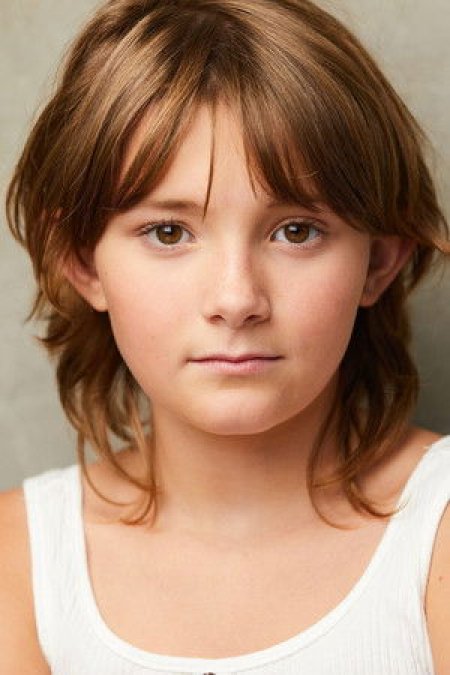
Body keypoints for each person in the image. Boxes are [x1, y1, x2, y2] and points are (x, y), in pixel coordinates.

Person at [2, 0, 450, 672]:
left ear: (380, 260)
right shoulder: (19, 560)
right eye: (169, 232)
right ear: (83, 262)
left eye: (296, 231)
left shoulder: (438, 531)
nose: (236, 299)